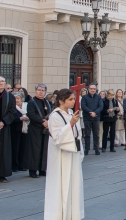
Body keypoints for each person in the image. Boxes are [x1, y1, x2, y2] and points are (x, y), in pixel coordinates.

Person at [44, 89, 84, 220]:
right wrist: (71, 124)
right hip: (61, 155)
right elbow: (57, 138)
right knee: (60, 185)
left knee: (73, 184)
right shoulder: (55, 116)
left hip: (73, 154)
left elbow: (78, 134)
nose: (74, 102)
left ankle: (73, 214)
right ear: (61, 101)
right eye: (70, 99)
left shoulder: (71, 113)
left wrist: (80, 149)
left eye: (74, 99)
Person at [25, 84, 51, 178]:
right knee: (34, 150)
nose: (41, 92)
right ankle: (33, 170)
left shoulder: (47, 102)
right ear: (36, 91)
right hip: (35, 129)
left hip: (45, 129)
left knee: (44, 149)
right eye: (39, 90)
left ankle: (42, 169)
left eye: (43, 90)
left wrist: (48, 122)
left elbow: (50, 113)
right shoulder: (31, 102)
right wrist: (42, 121)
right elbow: (31, 114)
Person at [81, 83, 103, 156]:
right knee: (87, 134)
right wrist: (91, 112)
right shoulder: (84, 97)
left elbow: (101, 106)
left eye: (94, 89)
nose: (93, 90)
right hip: (87, 118)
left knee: (96, 134)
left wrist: (95, 113)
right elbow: (83, 106)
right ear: (88, 89)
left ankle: (96, 149)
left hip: (96, 118)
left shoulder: (99, 97)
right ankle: (87, 149)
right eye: (91, 89)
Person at [11, 94, 28, 172]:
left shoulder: (26, 106)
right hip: (15, 130)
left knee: (23, 148)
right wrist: (19, 118)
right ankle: (15, 165)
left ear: (22, 99)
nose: (17, 100)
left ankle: (22, 165)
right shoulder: (12, 107)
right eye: (15, 98)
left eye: (18, 98)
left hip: (25, 129)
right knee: (15, 148)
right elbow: (11, 118)